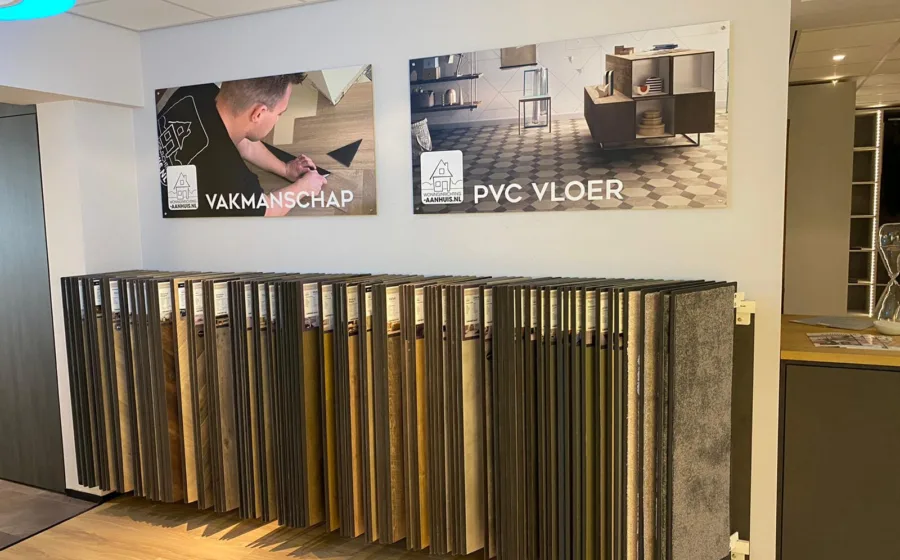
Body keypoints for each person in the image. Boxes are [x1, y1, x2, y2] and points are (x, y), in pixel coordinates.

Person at [157, 73, 326, 217]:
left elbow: (243, 143)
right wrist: (304, 187)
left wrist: (285, 169)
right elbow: (266, 209)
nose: (278, 119)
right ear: (258, 113)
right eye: (280, 114)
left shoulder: (196, 90)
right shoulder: (230, 179)